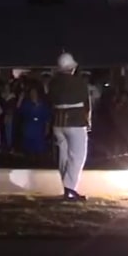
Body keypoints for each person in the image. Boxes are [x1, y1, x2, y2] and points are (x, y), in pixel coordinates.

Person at [49, 52, 92, 201]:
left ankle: (67, 187)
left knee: (63, 156)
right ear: (72, 68)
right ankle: (70, 189)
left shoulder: (53, 83)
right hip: (75, 122)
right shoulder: (79, 82)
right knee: (77, 156)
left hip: (58, 122)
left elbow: (50, 101)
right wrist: (88, 121)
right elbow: (87, 104)